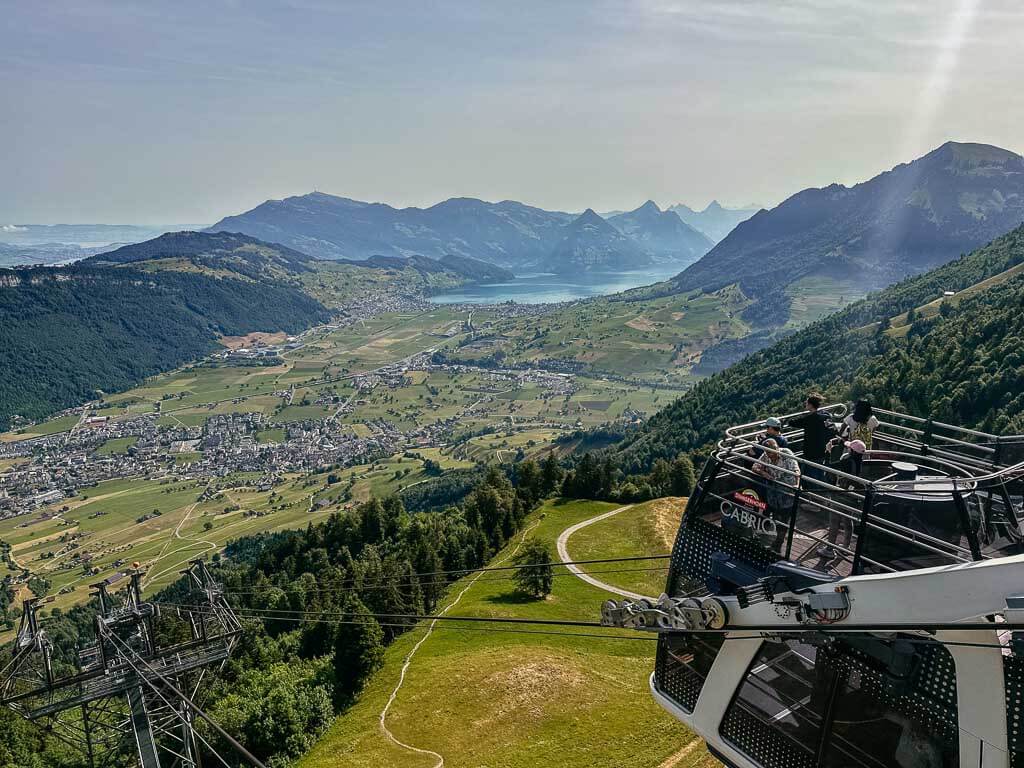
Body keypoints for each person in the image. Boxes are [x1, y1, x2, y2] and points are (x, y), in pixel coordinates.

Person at [818, 439, 866, 559]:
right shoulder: (859, 462)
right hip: (852, 495)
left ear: (852, 451)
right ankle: (846, 546)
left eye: (849, 448)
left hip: (842, 495)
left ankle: (829, 549)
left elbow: (828, 467)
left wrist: (828, 452)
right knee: (847, 519)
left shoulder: (847, 461)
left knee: (834, 521)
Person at [753, 438, 801, 552]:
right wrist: (764, 473)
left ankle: (778, 544)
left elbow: (796, 471)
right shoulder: (766, 455)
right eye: (769, 452)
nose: (772, 454)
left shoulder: (786, 454)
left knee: (784, 518)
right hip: (774, 494)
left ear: (777, 448)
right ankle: (776, 541)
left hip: (787, 492)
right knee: (776, 517)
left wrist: (797, 485)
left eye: (774, 450)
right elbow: (754, 467)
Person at [788, 393, 837, 485]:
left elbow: (793, 422)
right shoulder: (825, 416)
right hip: (823, 448)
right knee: (820, 470)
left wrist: (800, 416)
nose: (805, 404)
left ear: (810, 405)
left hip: (811, 451)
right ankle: (822, 486)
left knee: (812, 473)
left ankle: (813, 491)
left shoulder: (809, 418)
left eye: (806, 403)